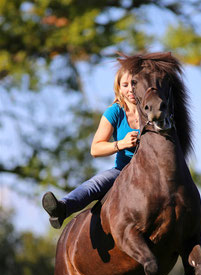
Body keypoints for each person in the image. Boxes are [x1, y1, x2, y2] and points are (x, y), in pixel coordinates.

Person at [42, 65, 140, 228]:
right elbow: (95, 149)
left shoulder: (153, 110)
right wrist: (122, 144)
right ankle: (62, 208)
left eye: (134, 83)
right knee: (96, 184)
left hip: (153, 171)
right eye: (125, 85)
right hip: (123, 170)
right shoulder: (115, 112)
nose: (130, 89)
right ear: (119, 88)